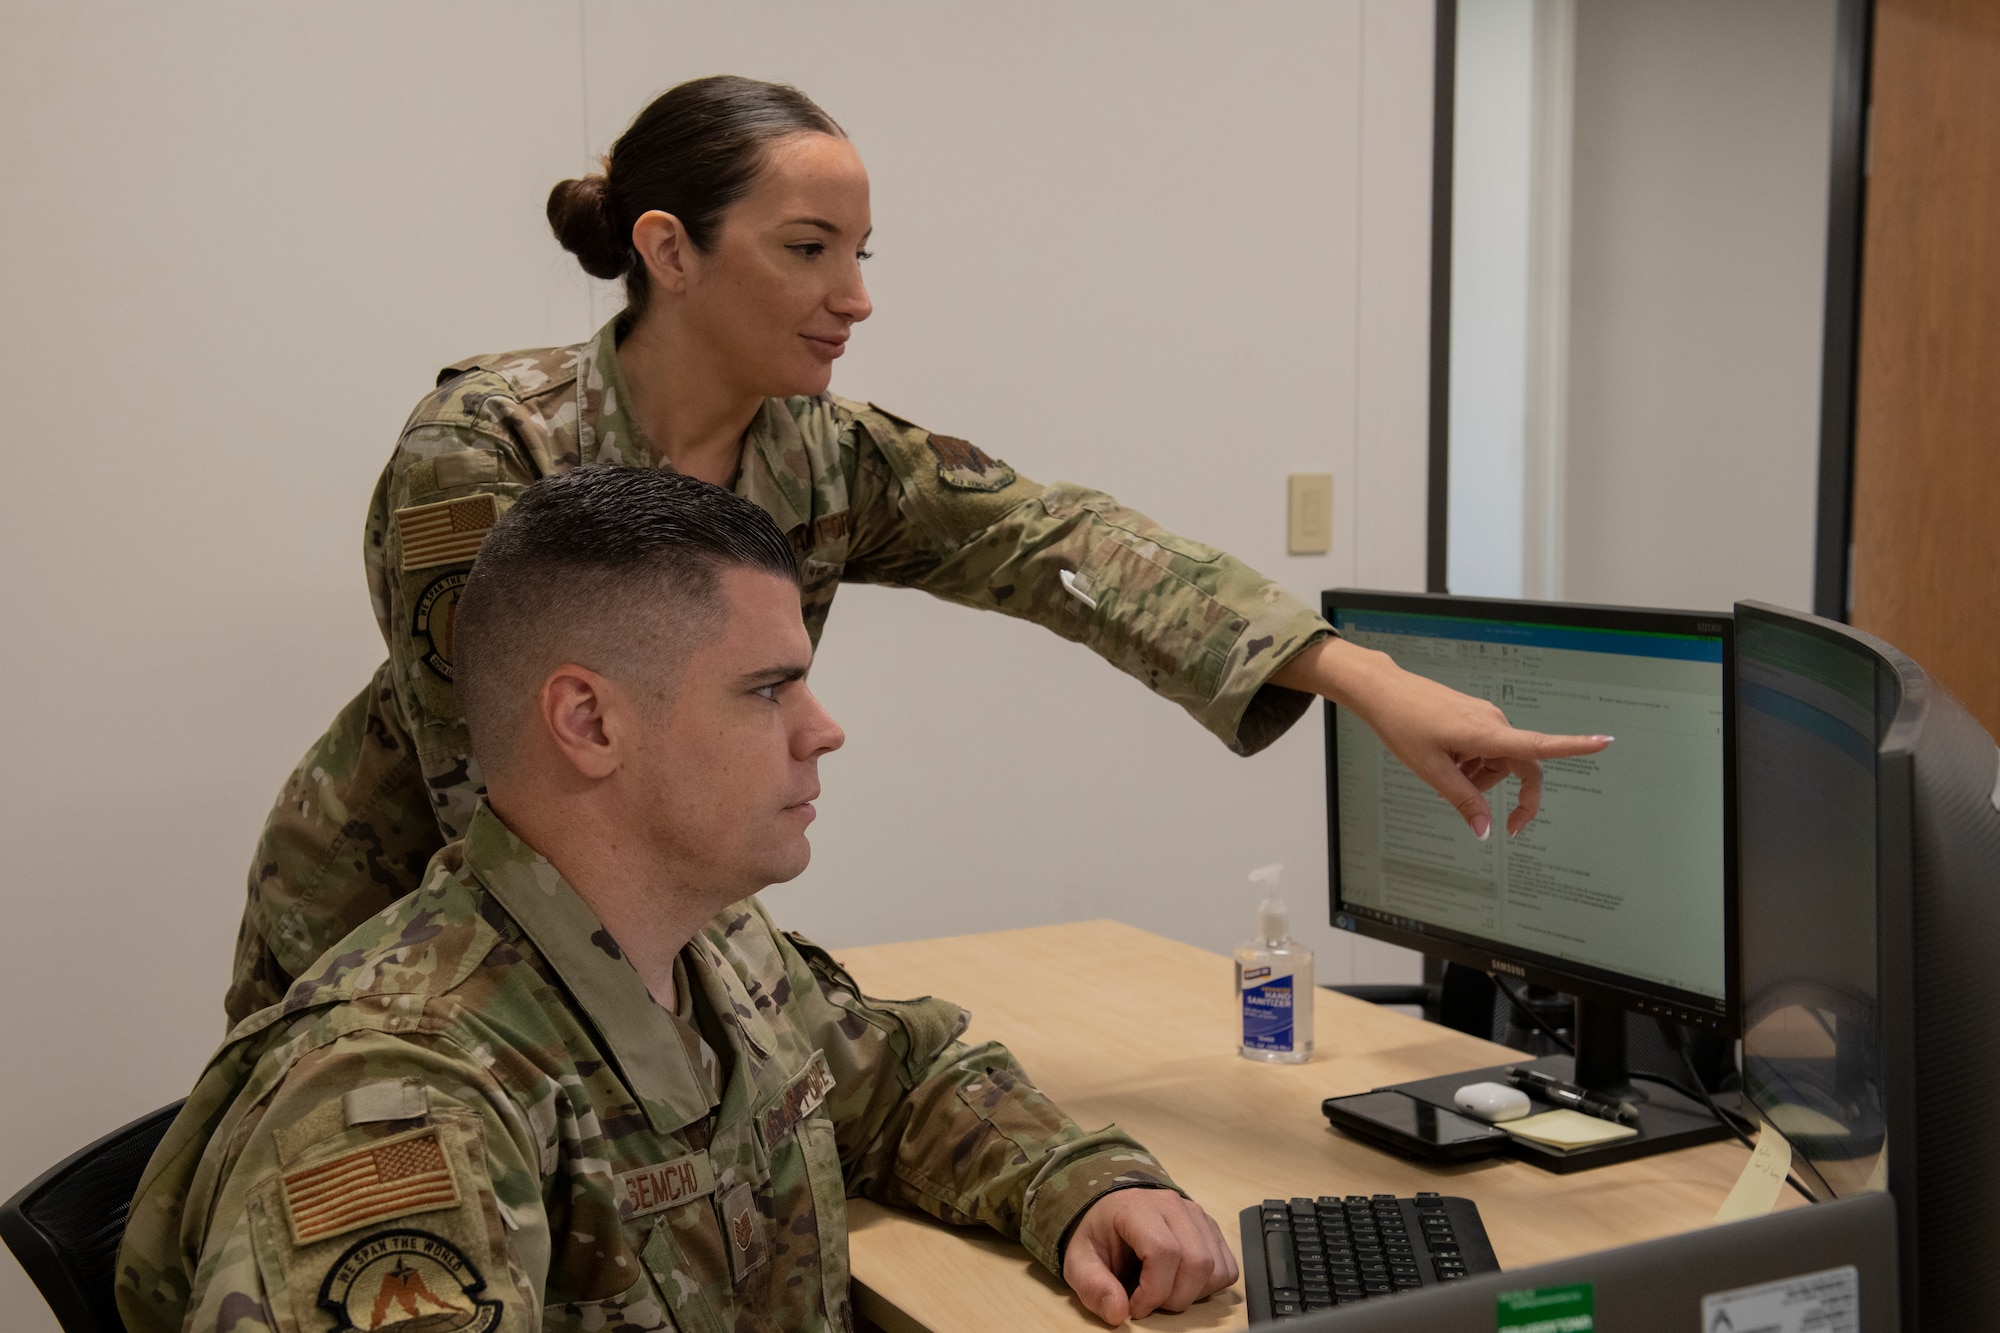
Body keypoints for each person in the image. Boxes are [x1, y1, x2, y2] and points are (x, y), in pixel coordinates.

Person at [227, 74, 1609, 1025]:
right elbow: (513, 811)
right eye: (811, 249)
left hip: (646, 938)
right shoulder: (487, 451)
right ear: (670, 248)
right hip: (402, 945)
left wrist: (1360, 680)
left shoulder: (817, 454)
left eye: (863, 251)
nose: (856, 298)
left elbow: (1056, 540)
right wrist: (781, 1027)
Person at [120, 467, 1238, 1333]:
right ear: (591, 722)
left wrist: (1084, 1184)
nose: (823, 728)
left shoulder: (714, 949)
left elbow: (897, 1084)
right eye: (767, 690)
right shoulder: (407, 1094)